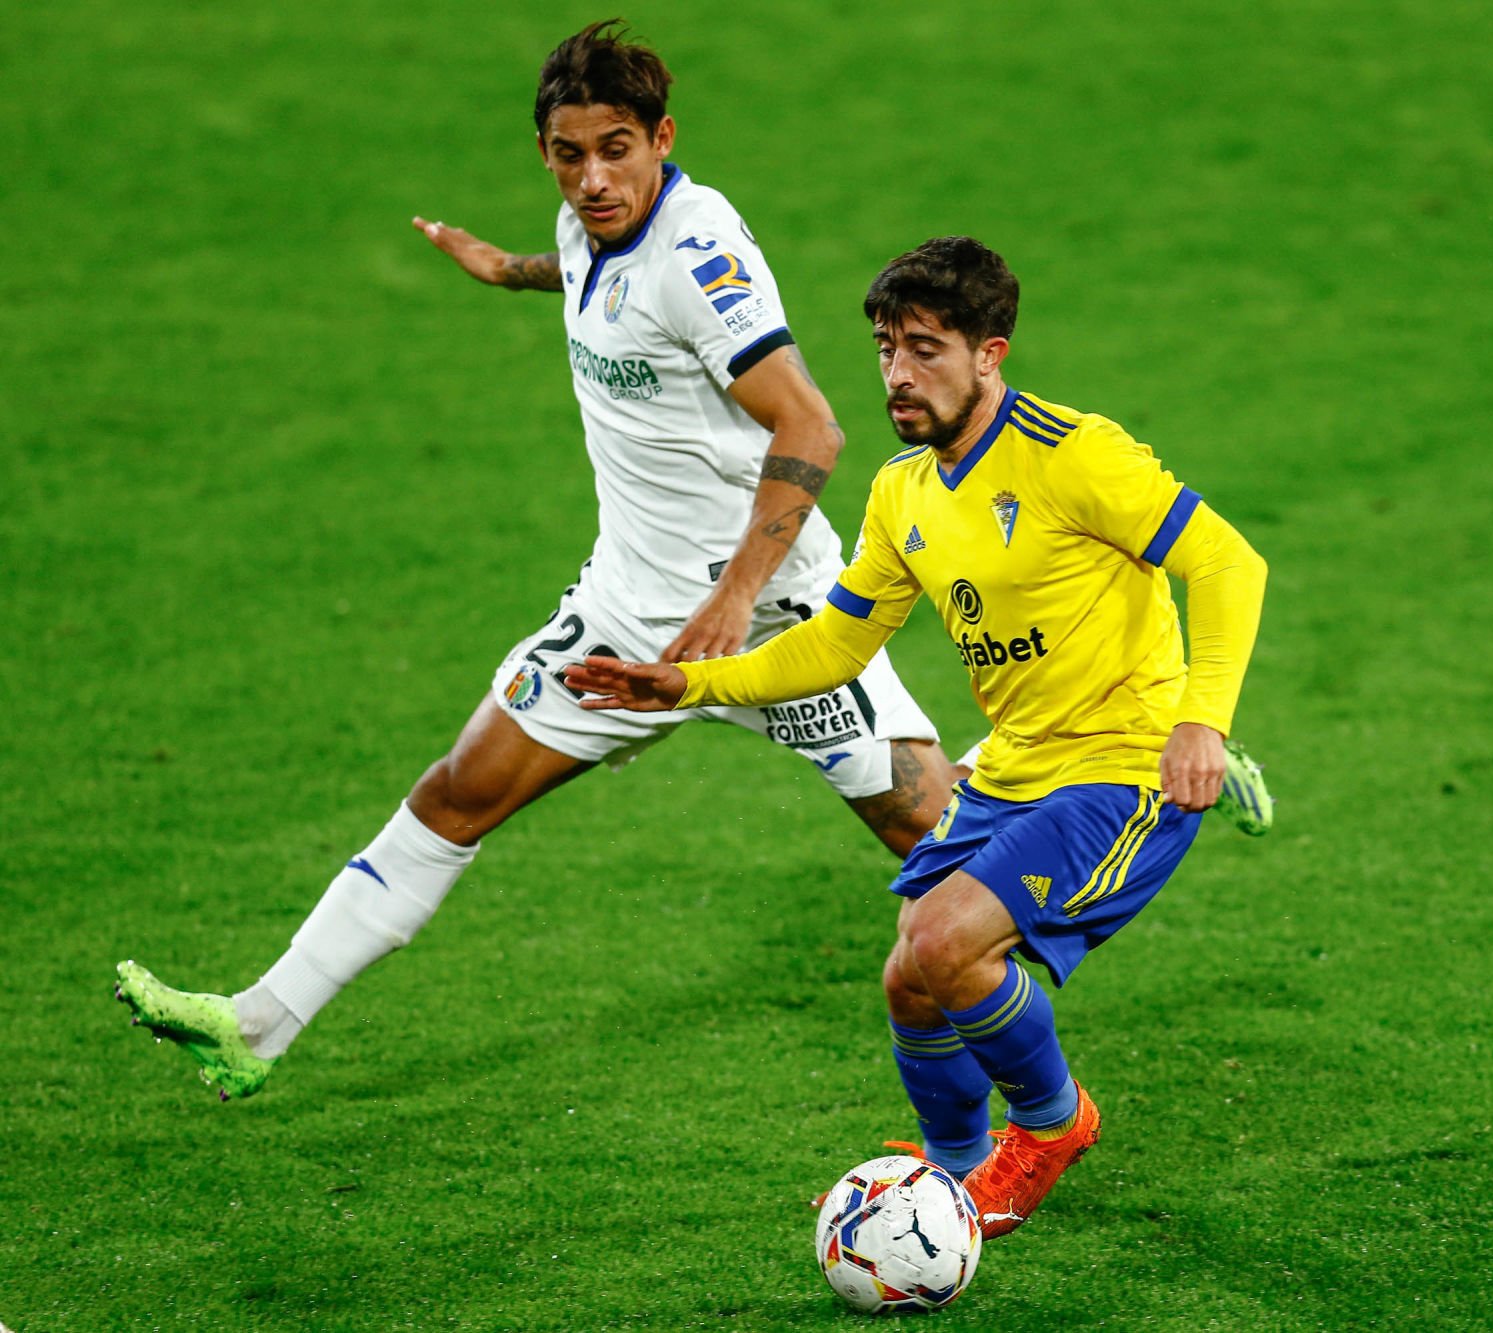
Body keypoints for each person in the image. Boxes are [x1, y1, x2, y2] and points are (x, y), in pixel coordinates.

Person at [114, 20, 960, 1101]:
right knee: (457, 792)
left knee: (948, 848)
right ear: (546, 153)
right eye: (569, 155)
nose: (593, 179)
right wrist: (503, 269)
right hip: (622, 611)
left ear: (662, 139)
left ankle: (1110, 816)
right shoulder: (585, 223)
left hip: (771, 622)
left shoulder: (698, 259)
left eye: (616, 150)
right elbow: (581, 270)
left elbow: (812, 426)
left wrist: (733, 597)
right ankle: (254, 1024)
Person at [567, 236, 1268, 1237]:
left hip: (1127, 760)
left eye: (926, 349)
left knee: (946, 941)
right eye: (886, 348)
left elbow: (1228, 562)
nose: (898, 373)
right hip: (1018, 764)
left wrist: (1201, 721)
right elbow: (835, 644)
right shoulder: (903, 491)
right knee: (910, 977)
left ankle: (1051, 1124)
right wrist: (687, 681)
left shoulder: (1074, 453)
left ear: (990, 353)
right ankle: (953, 1176)